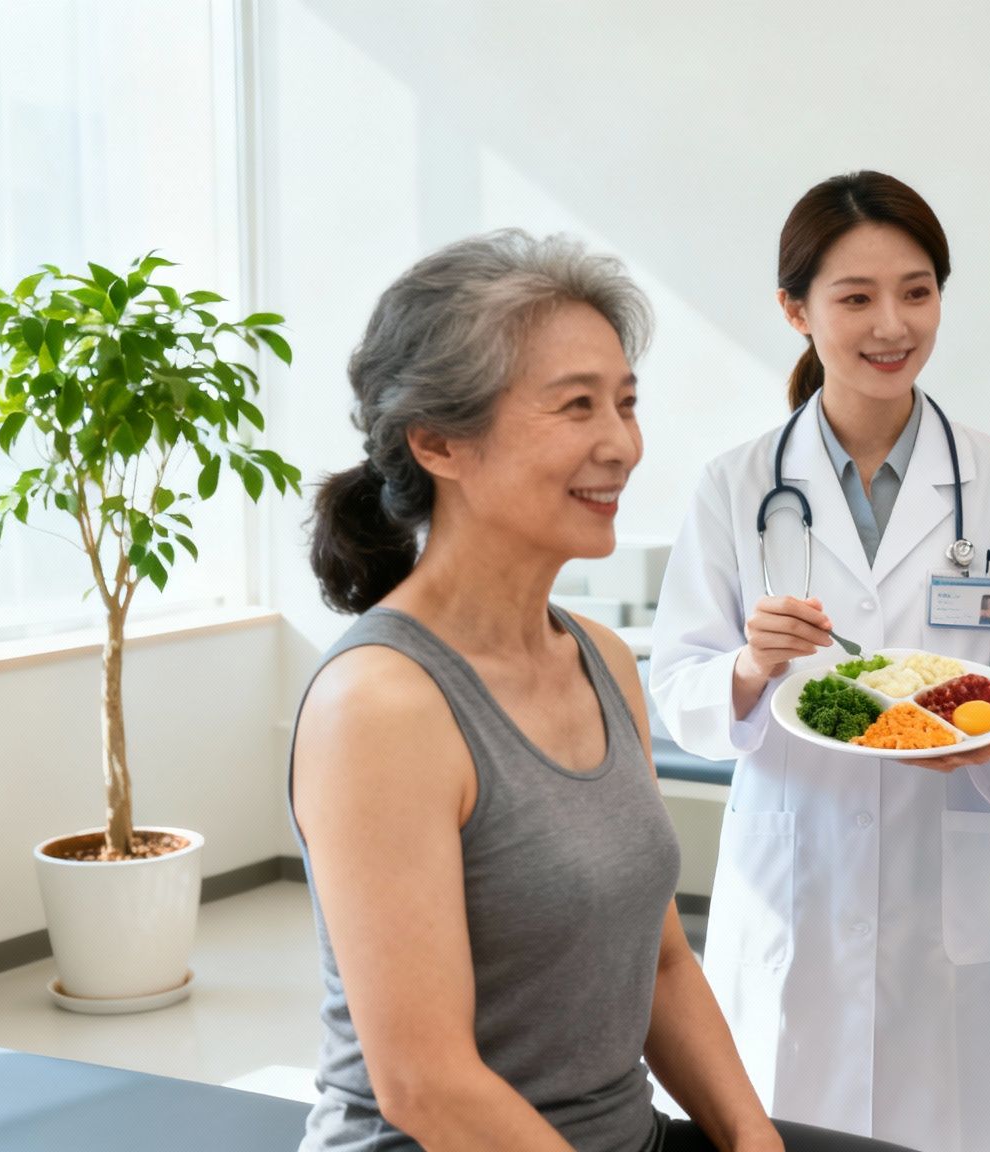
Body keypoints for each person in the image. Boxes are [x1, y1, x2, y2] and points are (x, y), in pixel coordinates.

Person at [292, 231, 911, 1152]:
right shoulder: (382, 706)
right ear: (437, 442)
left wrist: (752, 1140)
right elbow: (427, 1088)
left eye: (624, 404)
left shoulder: (602, 659)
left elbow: (660, 966)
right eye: (575, 407)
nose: (620, 445)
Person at [649, 172, 990, 1152]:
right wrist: (750, 671)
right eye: (854, 297)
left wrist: (989, 751)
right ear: (794, 310)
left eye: (917, 291)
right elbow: (678, 687)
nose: (891, 323)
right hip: (793, 886)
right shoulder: (737, 487)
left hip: (948, 878)